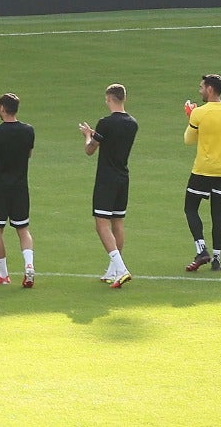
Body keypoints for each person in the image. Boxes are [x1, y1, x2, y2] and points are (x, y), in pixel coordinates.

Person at [79, 83, 138, 288]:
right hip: (123, 178)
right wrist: (97, 135)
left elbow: (89, 150)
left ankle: (121, 269)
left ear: (110, 98)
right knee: (118, 224)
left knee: (101, 224)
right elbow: (112, 141)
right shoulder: (132, 123)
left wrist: (88, 135)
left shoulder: (105, 123)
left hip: (106, 179)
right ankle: (113, 270)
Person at [183, 73, 221, 273]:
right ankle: (217, 259)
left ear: (210, 89)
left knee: (190, 208)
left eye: (201, 87)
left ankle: (201, 249)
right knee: (218, 215)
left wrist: (191, 117)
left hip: (203, 170)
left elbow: (188, 140)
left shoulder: (200, 113)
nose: (199, 91)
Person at [0, 93, 36, 288]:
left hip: (0, 187)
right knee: (23, 229)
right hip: (20, 186)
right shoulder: (28, 131)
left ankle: (3, 274)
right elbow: (28, 153)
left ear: (3, 109)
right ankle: (29, 265)